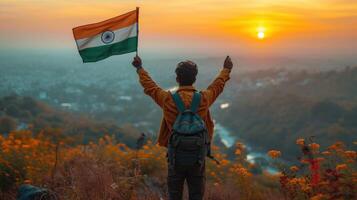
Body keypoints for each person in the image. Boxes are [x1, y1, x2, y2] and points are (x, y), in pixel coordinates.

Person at [132, 55, 233, 200]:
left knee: (174, 195)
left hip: (175, 156)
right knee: (196, 195)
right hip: (198, 157)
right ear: (195, 79)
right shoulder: (204, 98)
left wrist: (139, 68)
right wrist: (226, 69)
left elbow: (150, 86)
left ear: (177, 79)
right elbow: (217, 86)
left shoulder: (167, 99)